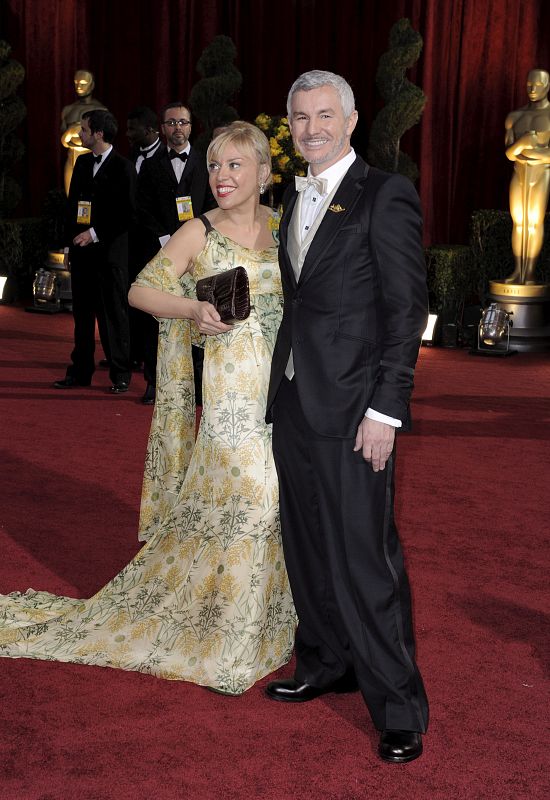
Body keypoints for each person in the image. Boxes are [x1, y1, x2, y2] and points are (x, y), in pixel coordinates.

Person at [0, 122, 295, 695]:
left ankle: (258, 623)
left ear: (264, 172)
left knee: (273, 506)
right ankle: (226, 637)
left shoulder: (285, 229)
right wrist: (191, 310)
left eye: (236, 165)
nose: (223, 177)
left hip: (282, 392)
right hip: (232, 394)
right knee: (251, 503)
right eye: (215, 166)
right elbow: (139, 290)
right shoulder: (198, 231)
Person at [264, 71, 429, 764]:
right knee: (306, 546)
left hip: (357, 406)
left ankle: (398, 707)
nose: (311, 128)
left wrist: (386, 411)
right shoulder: (291, 194)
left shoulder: (384, 194)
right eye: (300, 117)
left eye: (324, 115)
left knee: (365, 558)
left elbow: (406, 311)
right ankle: (327, 660)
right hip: (298, 400)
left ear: (352, 119)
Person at [136, 101, 213, 405]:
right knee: (156, 318)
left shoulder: (207, 163)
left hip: (199, 253)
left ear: (192, 127)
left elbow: (212, 204)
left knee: (197, 314)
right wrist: (166, 238)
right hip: (160, 252)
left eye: (183, 122)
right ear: (162, 128)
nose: (177, 128)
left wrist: (197, 239)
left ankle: (196, 383)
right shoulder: (151, 166)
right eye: (171, 123)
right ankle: (154, 382)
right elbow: (141, 208)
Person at [54, 109, 136, 394]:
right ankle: (80, 371)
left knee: (113, 314)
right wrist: (68, 243)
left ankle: (121, 372)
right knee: (82, 315)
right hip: (82, 254)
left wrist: (95, 233)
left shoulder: (124, 167)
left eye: (84, 130)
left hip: (110, 255)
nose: (80, 135)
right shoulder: (82, 162)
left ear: (99, 133)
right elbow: (72, 206)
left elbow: (127, 213)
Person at [125, 106, 165, 380]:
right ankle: (133, 353)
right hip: (132, 241)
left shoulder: (166, 158)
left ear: (150, 130)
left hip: (159, 241)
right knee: (132, 296)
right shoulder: (130, 156)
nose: (128, 134)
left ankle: (153, 362)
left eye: (132, 129)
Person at [504, 68, 550, 284]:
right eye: (529, 84)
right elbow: (509, 153)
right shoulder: (515, 116)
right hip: (519, 174)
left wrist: (524, 150)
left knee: (534, 222)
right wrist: (524, 144)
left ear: (547, 86)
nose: (532, 89)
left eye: (538, 85)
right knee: (519, 223)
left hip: (541, 175)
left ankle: (529, 272)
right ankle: (517, 271)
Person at [60, 69, 107, 195]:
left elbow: (103, 139)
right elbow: (63, 141)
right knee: (71, 199)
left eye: (83, 83)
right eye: (76, 83)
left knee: (90, 200)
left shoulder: (100, 109)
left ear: (91, 84)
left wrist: (75, 131)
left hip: (92, 160)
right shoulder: (68, 110)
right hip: (72, 159)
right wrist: (70, 131)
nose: (78, 86)